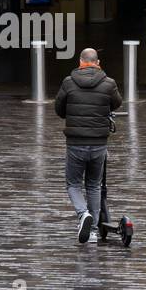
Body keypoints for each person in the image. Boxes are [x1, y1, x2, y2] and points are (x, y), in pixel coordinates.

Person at [55, 48, 123, 243]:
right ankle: (93, 231)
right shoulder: (109, 83)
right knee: (94, 185)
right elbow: (116, 104)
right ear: (98, 62)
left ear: (80, 62)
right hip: (99, 144)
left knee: (73, 184)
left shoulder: (68, 82)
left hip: (75, 143)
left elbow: (59, 109)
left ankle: (83, 213)